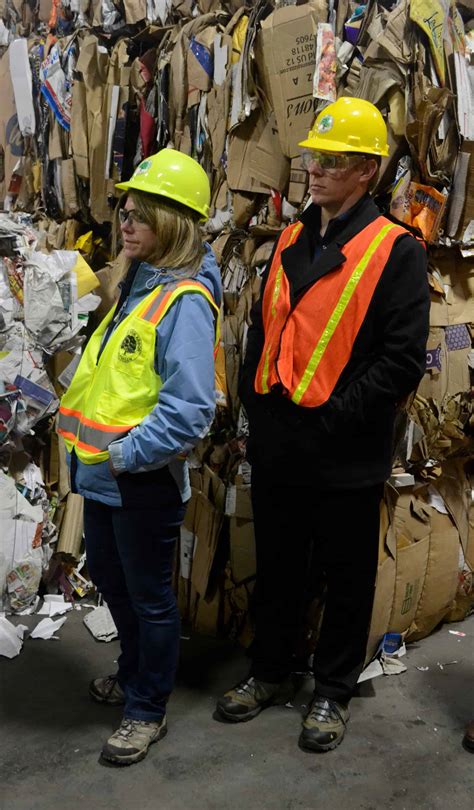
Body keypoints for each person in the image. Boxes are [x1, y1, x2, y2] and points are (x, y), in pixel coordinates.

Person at [216, 97, 430, 752]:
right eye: (313, 157)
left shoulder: (397, 251)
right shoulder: (289, 238)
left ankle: (332, 691)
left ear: (366, 171)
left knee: (346, 575)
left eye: (332, 162)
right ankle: (270, 671)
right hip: (281, 442)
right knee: (279, 565)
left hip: (346, 448)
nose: (314, 170)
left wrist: (334, 418)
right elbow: (267, 330)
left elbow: (400, 362)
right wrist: (255, 407)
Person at [57, 149, 222, 766]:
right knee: (114, 585)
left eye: (139, 215)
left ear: (174, 223)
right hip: (103, 479)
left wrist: (126, 457)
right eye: (124, 212)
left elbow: (190, 410)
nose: (124, 224)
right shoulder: (134, 284)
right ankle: (133, 676)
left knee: (150, 598)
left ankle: (146, 709)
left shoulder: (183, 301)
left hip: (139, 482)